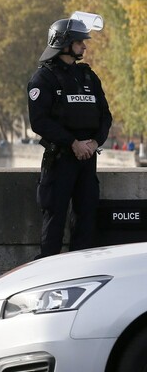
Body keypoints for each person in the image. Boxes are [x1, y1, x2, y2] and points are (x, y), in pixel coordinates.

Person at [28, 13, 112, 258]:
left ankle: (81, 275)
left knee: (86, 219)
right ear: (64, 44)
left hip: (87, 159)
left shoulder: (88, 76)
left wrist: (95, 142)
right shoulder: (43, 78)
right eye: (79, 42)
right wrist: (72, 143)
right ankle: (47, 277)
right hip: (61, 159)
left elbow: (105, 115)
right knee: (54, 221)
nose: (84, 46)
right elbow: (39, 121)